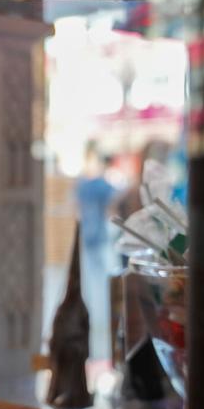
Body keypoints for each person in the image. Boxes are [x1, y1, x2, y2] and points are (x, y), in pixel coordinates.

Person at [75, 152, 117, 360]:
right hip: (97, 235)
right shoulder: (99, 185)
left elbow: (76, 205)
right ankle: (98, 315)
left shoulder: (85, 185)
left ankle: (96, 314)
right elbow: (114, 203)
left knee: (93, 278)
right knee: (98, 278)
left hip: (90, 234)